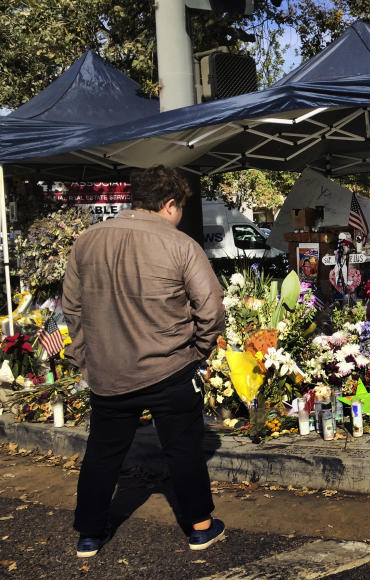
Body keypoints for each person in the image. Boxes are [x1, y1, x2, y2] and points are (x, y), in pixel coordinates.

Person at [63, 166, 226, 558]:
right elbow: (212, 309)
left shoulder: (86, 242)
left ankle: (89, 534)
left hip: (109, 372)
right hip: (169, 366)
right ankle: (200, 528)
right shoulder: (180, 245)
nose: (180, 215)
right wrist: (198, 352)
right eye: (180, 207)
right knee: (184, 448)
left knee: (103, 453)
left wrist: (88, 357)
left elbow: (72, 307)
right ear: (169, 204)